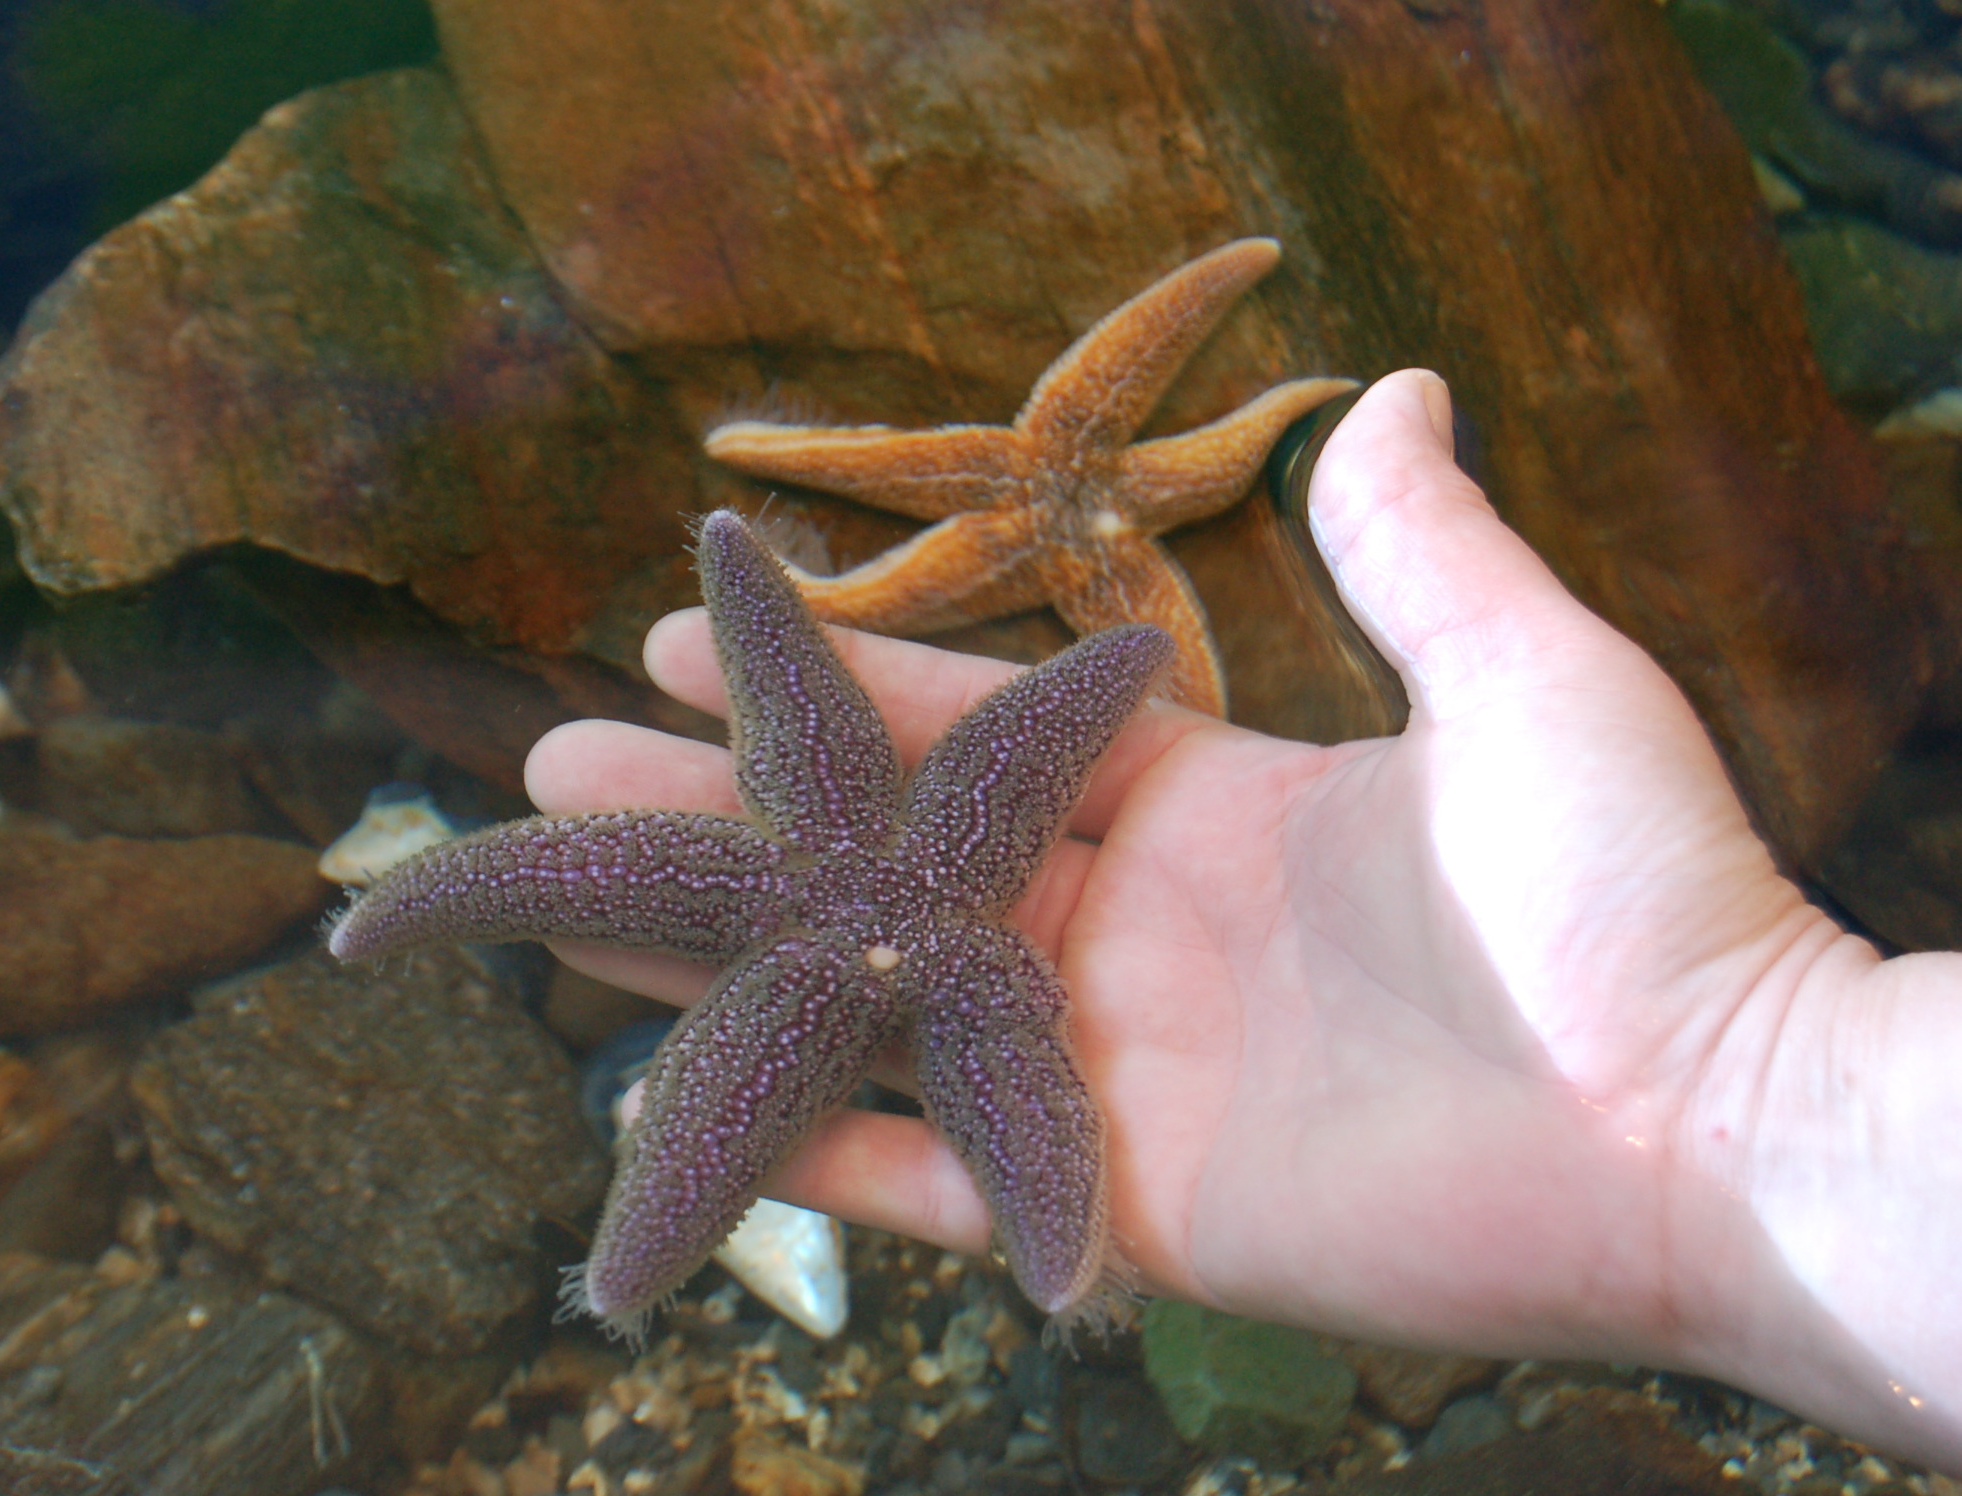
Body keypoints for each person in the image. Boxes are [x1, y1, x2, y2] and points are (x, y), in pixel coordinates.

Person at [523, 370, 1962, 1469]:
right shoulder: (936, 895)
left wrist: (1739, 1065)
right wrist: (1755, 1071)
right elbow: (987, 713)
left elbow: (1023, 742)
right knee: (564, 890)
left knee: (645, 969)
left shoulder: (917, 893)